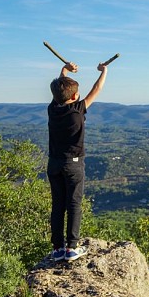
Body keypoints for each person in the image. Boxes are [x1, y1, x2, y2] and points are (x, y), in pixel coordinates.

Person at [47, 60, 109, 262]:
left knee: (58, 205)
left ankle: (57, 249)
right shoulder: (77, 110)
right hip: (73, 164)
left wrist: (65, 70)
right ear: (74, 96)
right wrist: (104, 71)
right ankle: (72, 247)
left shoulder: (53, 109)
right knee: (74, 204)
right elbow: (96, 89)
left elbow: (60, 89)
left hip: (54, 164)